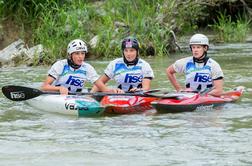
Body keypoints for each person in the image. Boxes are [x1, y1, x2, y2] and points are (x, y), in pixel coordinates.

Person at [41, 39, 118, 95]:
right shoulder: (60, 65)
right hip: (57, 97)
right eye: (77, 53)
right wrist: (59, 88)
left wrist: (114, 91)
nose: (80, 57)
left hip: (76, 98)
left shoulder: (88, 68)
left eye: (82, 53)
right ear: (70, 55)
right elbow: (44, 87)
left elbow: (102, 87)